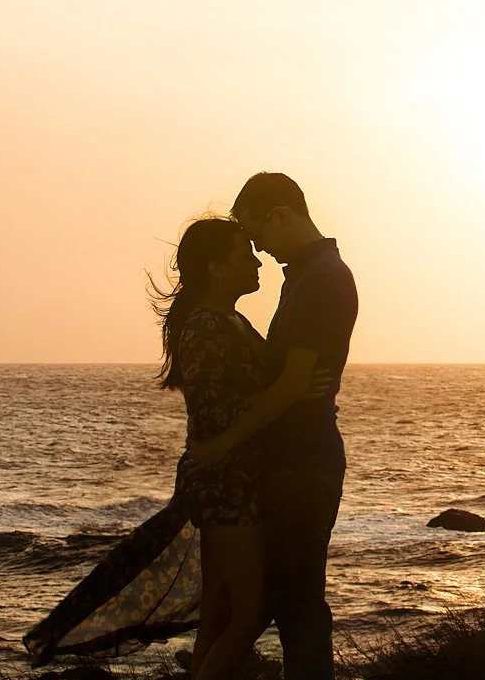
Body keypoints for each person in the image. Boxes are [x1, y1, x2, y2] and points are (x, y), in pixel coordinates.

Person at [24, 218, 326, 676]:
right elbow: (213, 409)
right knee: (248, 613)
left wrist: (289, 390)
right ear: (215, 268)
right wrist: (290, 393)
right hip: (225, 485)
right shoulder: (206, 326)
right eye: (243, 253)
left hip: (234, 478)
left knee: (220, 614)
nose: (255, 260)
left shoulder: (229, 320)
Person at [188, 172, 357, 680]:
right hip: (291, 459)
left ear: (281, 215)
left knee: (297, 602)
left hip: (303, 462)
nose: (256, 246)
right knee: (277, 601)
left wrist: (222, 444)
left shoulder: (320, 278)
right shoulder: (306, 274)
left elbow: (292, 383)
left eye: (254, 229)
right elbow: (285, 380)